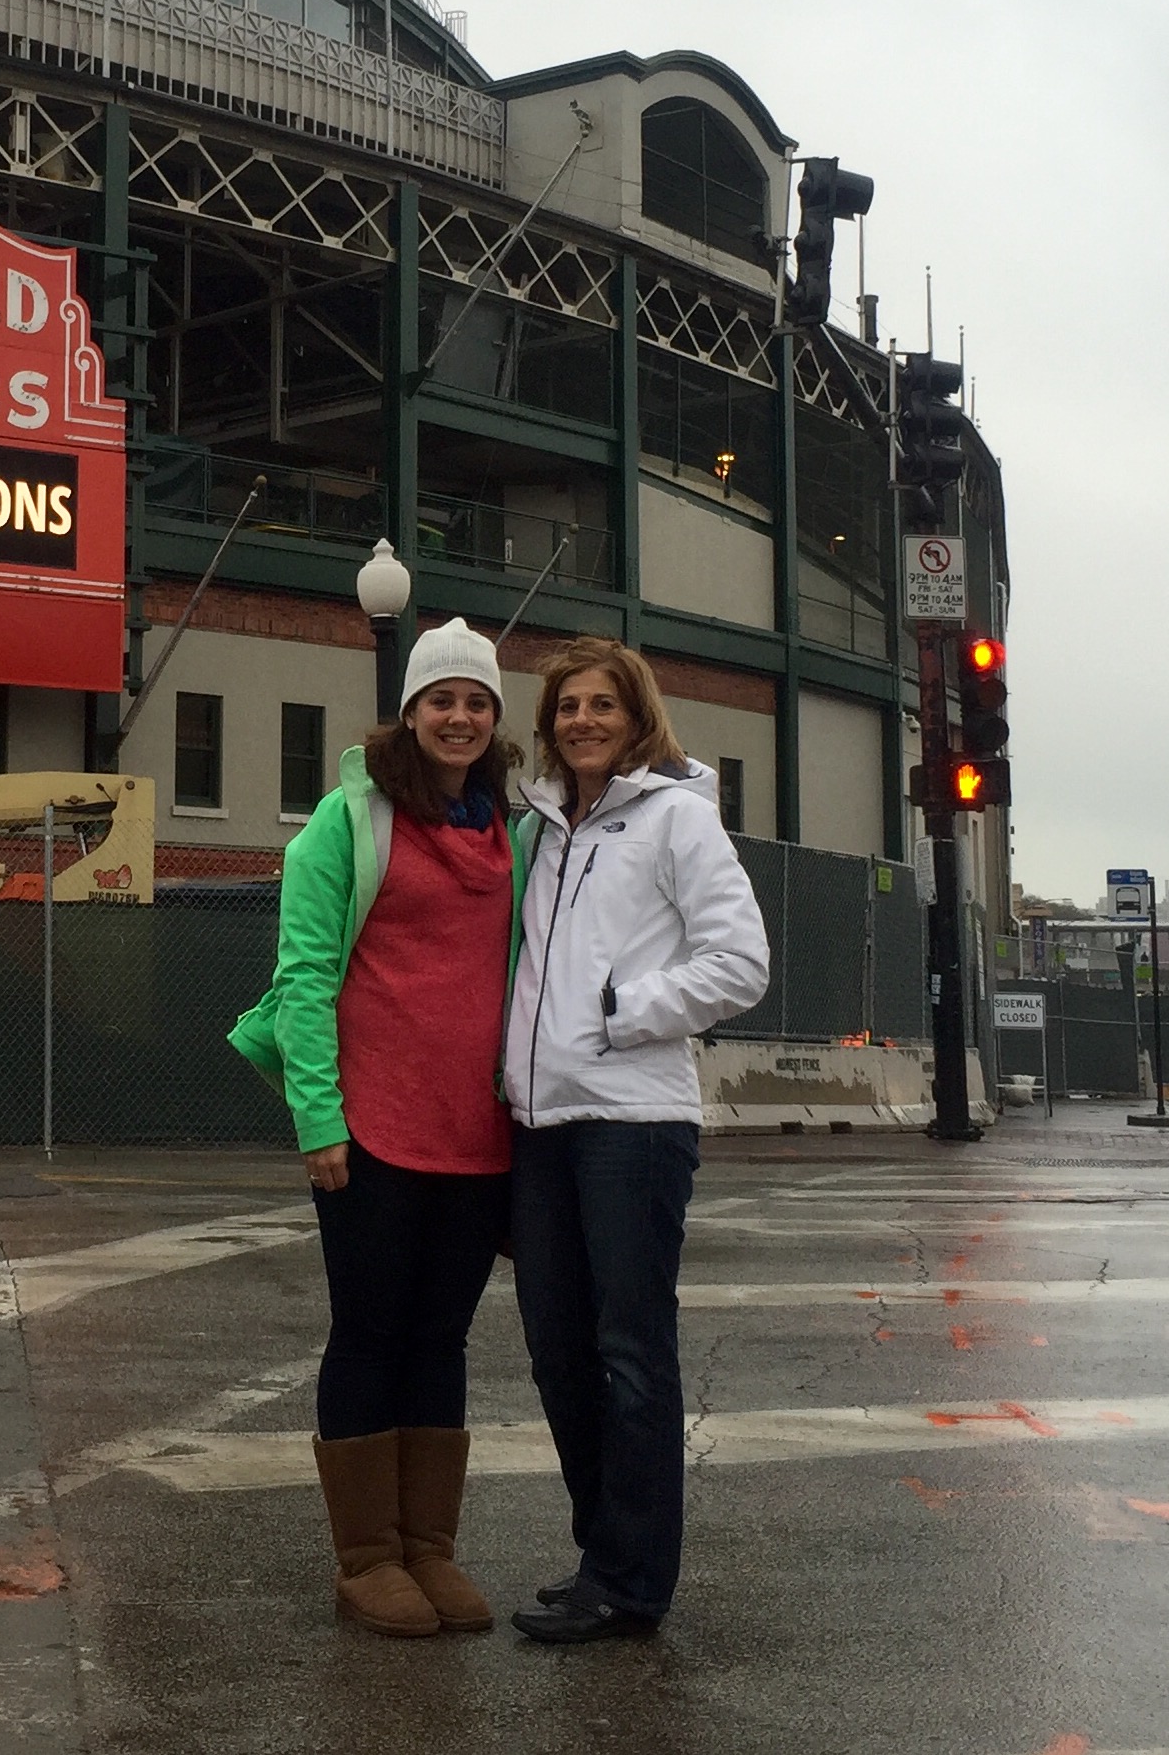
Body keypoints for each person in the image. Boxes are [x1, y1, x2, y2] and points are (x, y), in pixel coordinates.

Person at [230, 616, 529, 1638]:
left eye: (475, 701)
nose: (458, 715)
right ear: (408, 711)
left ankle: (428, 1547)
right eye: (440, 698)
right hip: (370, 1130)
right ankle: (365, 1556)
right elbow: (303, 979)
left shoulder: (509, 829)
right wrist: (318, 1120)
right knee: (369, 1329)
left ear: (493, 721)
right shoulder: (342, 823)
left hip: (474, 1134)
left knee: (440, 1336)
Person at [500, 637, 769, 1644]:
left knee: (629, 1354)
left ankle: (631, 1580)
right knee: (556, 1352)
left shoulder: (674, 821)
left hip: (632, 1122)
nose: (580, 719)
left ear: (635, 715)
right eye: (566, 705)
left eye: (600, 704)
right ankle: (599, 1553)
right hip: (540, 1123)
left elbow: (739, 962)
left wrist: (623, 1008)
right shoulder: (547, 830)